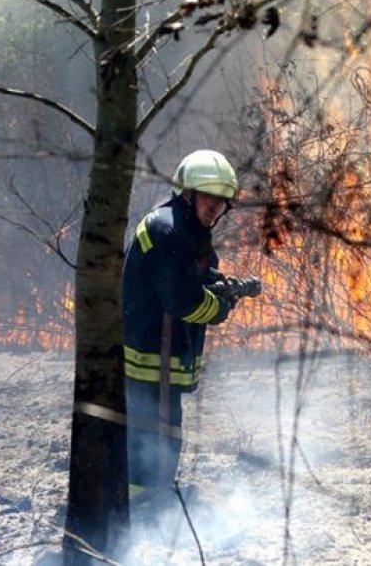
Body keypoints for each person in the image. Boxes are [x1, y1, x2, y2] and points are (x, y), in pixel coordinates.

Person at [121, 149, 260, 518]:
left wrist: (220, 283)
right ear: (188, 193)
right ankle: (139, 514)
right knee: (150, 440)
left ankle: (154, 502)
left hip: (161, 362)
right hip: (150, 363)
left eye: (221, 201)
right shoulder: (168, 230)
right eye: (208, 197)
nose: (215, 207)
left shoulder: (185, 229)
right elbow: (183, 299)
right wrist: (220, 308)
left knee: (164, 436)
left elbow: (193, 274)